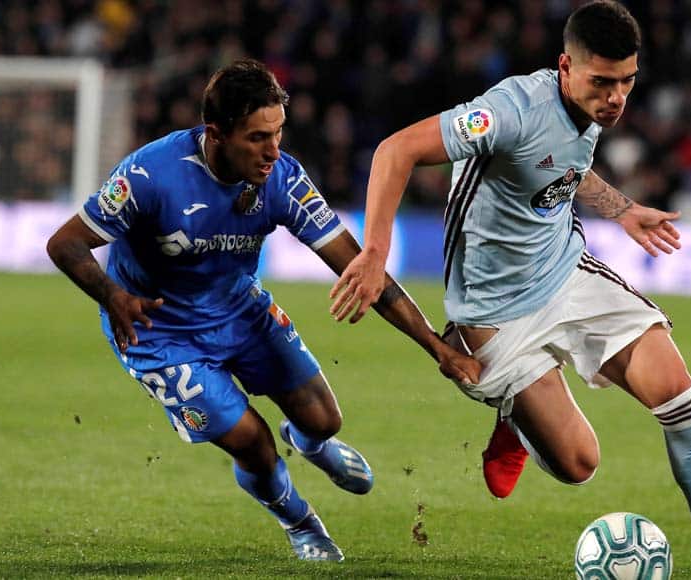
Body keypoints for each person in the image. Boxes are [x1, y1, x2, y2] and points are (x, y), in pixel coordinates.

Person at [329, 3, 691, 579]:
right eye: (603, 82)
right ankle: (515, 423)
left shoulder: (593, 107)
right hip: (493, 313)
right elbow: (395, 151)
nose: (617, 97)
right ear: (565, 67)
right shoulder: (508, 112)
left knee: (678, 392)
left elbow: (563, 169)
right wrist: (375, 251)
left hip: (566, 273)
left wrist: (621, 209)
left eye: (627, 81)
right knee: (580, 464)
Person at [47, 59, 479, 563]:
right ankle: (300, 521)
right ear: (216, 133)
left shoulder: (282, 179)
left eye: (278, 133)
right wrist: (112, 295)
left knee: (324, 420)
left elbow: (362, 269)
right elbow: (65, 244)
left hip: (239, 310)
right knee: (252, 443)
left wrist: (436, 349)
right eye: (257, 137)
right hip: (157, 330)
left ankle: (311, 442)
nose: (273, 150)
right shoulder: (150, 176)